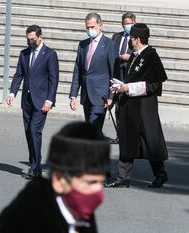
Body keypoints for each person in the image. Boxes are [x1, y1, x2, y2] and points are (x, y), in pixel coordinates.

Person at [0, 122, 110, 233]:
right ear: (59, 180)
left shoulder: (80, 212)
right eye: (90, 182)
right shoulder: (29, 220)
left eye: (100, 182)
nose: (98, 191)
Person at [106, 23, 169, 188]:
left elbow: (154, 84)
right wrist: (121, 85)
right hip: (130, 106)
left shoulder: (151, 55)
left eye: (132, 38)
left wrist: (128, 88)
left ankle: (160, 175)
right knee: (127, 140)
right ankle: (123, 177)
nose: (130, 40)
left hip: (144, 108)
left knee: (150, 142)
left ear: (137, 39)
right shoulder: (135, 55)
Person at [6, 25, 59, 179]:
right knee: (28, 132)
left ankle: (35, 167)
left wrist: (50, 100)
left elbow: (53, 79)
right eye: (28, 40)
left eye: (33, 40)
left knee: (35, 131)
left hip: (41, 101)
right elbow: (19, 75)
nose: (30, 42)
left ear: (40, 37)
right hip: (27, 101)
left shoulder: (49, 54)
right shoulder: (24, 54)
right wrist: (12, 93)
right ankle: (34, 163)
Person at [69, 12, 117, 133]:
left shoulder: (109, 45)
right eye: (88, 27)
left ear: (100, 26)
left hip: (101, 96)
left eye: (92, 27)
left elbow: (114, 73)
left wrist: (111, 97)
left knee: (93, 130)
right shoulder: (83, 45)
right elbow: (78, 71)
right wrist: (73, 95)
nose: (90, 30)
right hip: (86, 95)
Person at [110, 12, 136, 144]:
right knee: (118, 109)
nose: (127, 26)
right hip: (118, 76)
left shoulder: (137, 38)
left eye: (129, 24)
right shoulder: (116, 37)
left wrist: (129, 57)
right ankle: (120, 136)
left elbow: (141, 56)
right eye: (125, 24)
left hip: (131, 77)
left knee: (130, 110)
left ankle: (130, 137)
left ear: (134, 23)